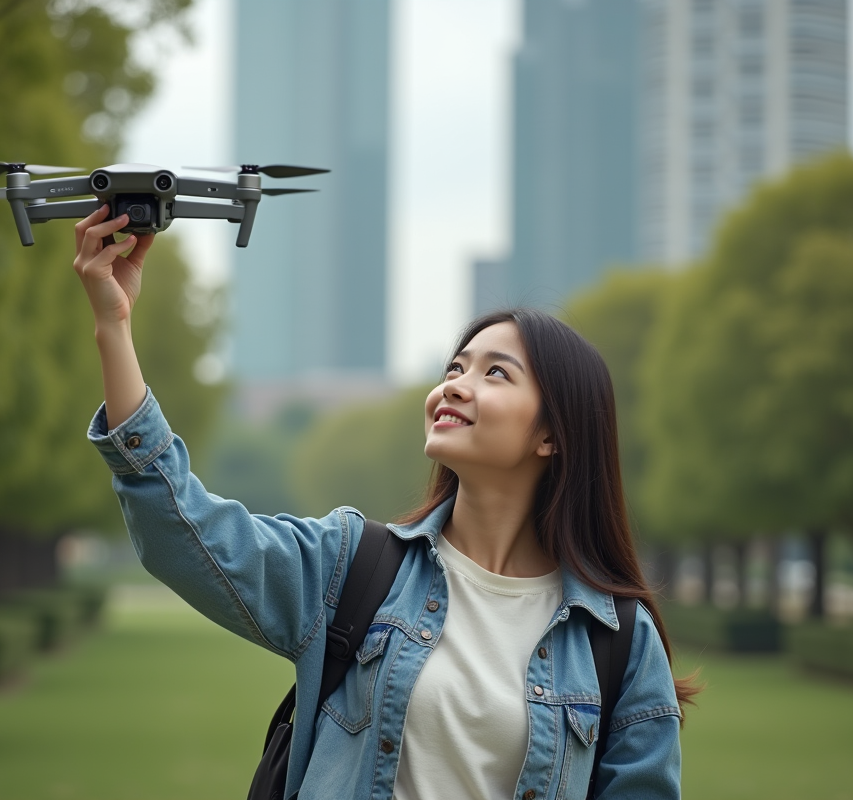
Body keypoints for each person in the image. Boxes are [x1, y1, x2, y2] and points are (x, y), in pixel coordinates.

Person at [74, 205, 696, 799]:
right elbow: (185, 532)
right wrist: (114, 325)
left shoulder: (618, 642)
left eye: (495, 373)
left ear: (552, 435)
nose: (455, 384)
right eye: (455, 366)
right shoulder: (352, 568)